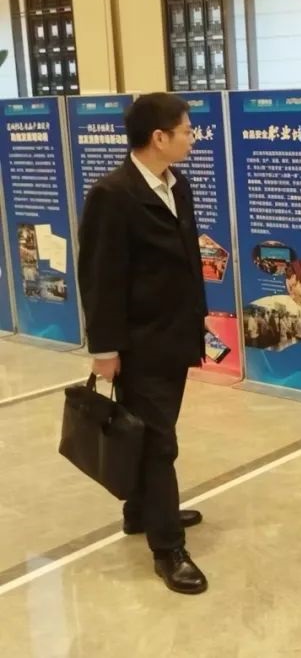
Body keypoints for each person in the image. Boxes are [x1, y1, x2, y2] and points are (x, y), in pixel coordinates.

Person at [77, 93, 209, 595]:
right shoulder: (113, 195)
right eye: (187, 130)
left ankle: (141, 510)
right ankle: (168, 547)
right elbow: (100, 277)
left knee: (154, 431)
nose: (192, 138)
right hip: (139, 342)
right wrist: (105, 349)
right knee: (159, 443)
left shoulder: (178, 185)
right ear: (159, 137)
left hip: (176, 335)